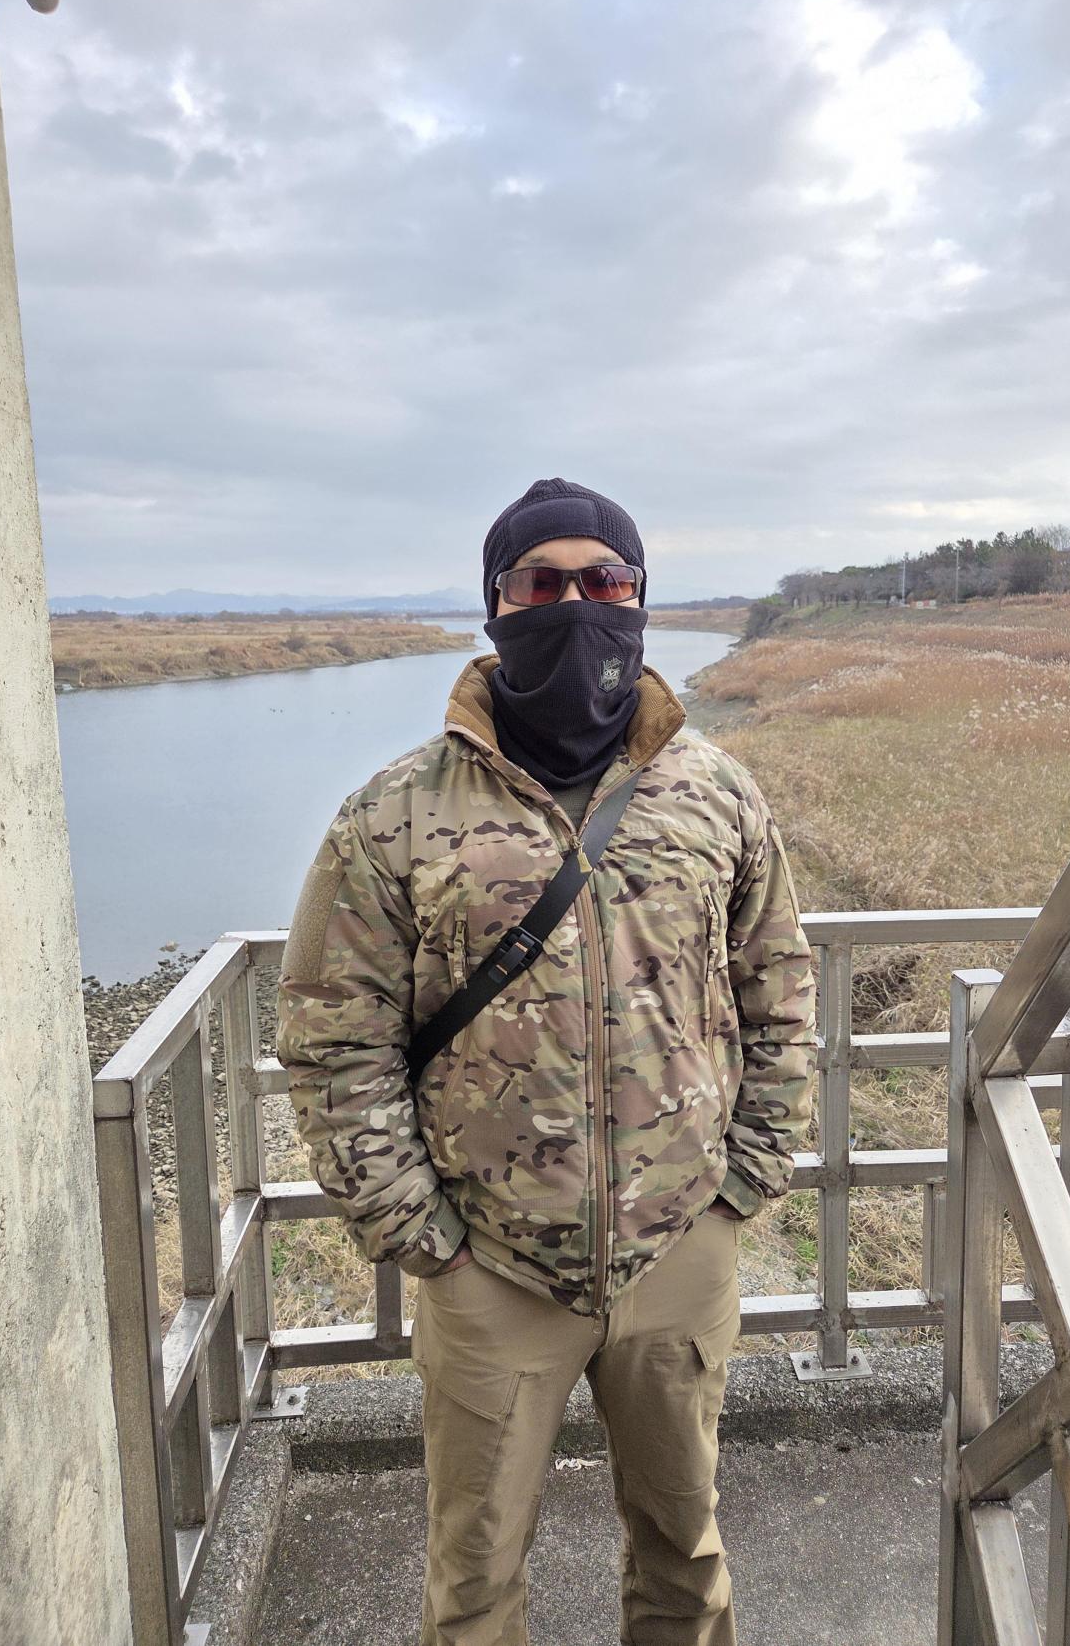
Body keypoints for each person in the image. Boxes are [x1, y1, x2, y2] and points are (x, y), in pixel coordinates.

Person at [277, 477, 816, 1645]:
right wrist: (420, 1234)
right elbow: (333, 1038)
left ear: (639, 600)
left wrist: (742, 1183)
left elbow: (777, 990)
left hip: (679, 1247)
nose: (574, 604)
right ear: (496, 604)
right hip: (488, 1269)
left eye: (603, 580)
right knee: (473, 1581)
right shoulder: (393, 814)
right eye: (541, 582)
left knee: (685, 1556)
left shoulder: (716, 794)